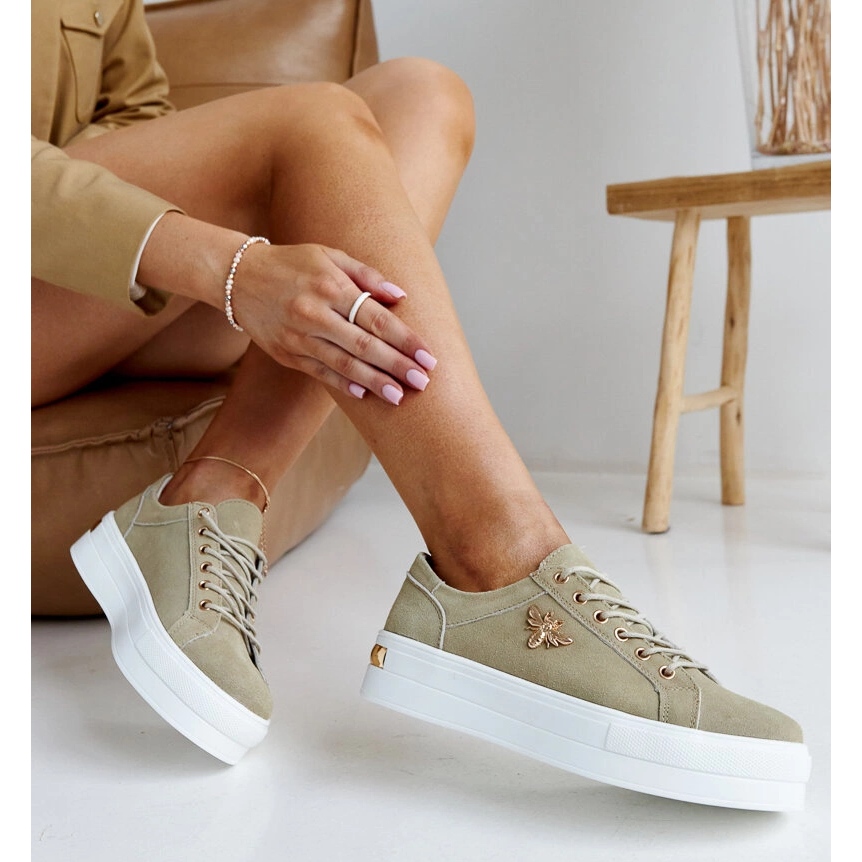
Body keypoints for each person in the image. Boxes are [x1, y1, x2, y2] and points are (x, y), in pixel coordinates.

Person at [32, 0, 810, 811]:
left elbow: (135, 123)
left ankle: (212, 495)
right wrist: (234, 267)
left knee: (421, 97)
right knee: (309, 121)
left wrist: (213, 240)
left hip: (71, 282)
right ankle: (496, 561)